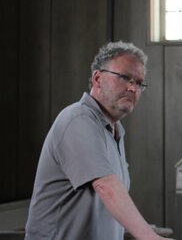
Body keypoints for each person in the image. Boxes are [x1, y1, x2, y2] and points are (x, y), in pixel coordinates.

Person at [26, 41, 170, 240]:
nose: (133, 88)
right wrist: (149, 237)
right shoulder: (78, 119)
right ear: (98, 79)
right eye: (124, 77)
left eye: (139, 82)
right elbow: (106, 186)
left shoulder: (116, 131)